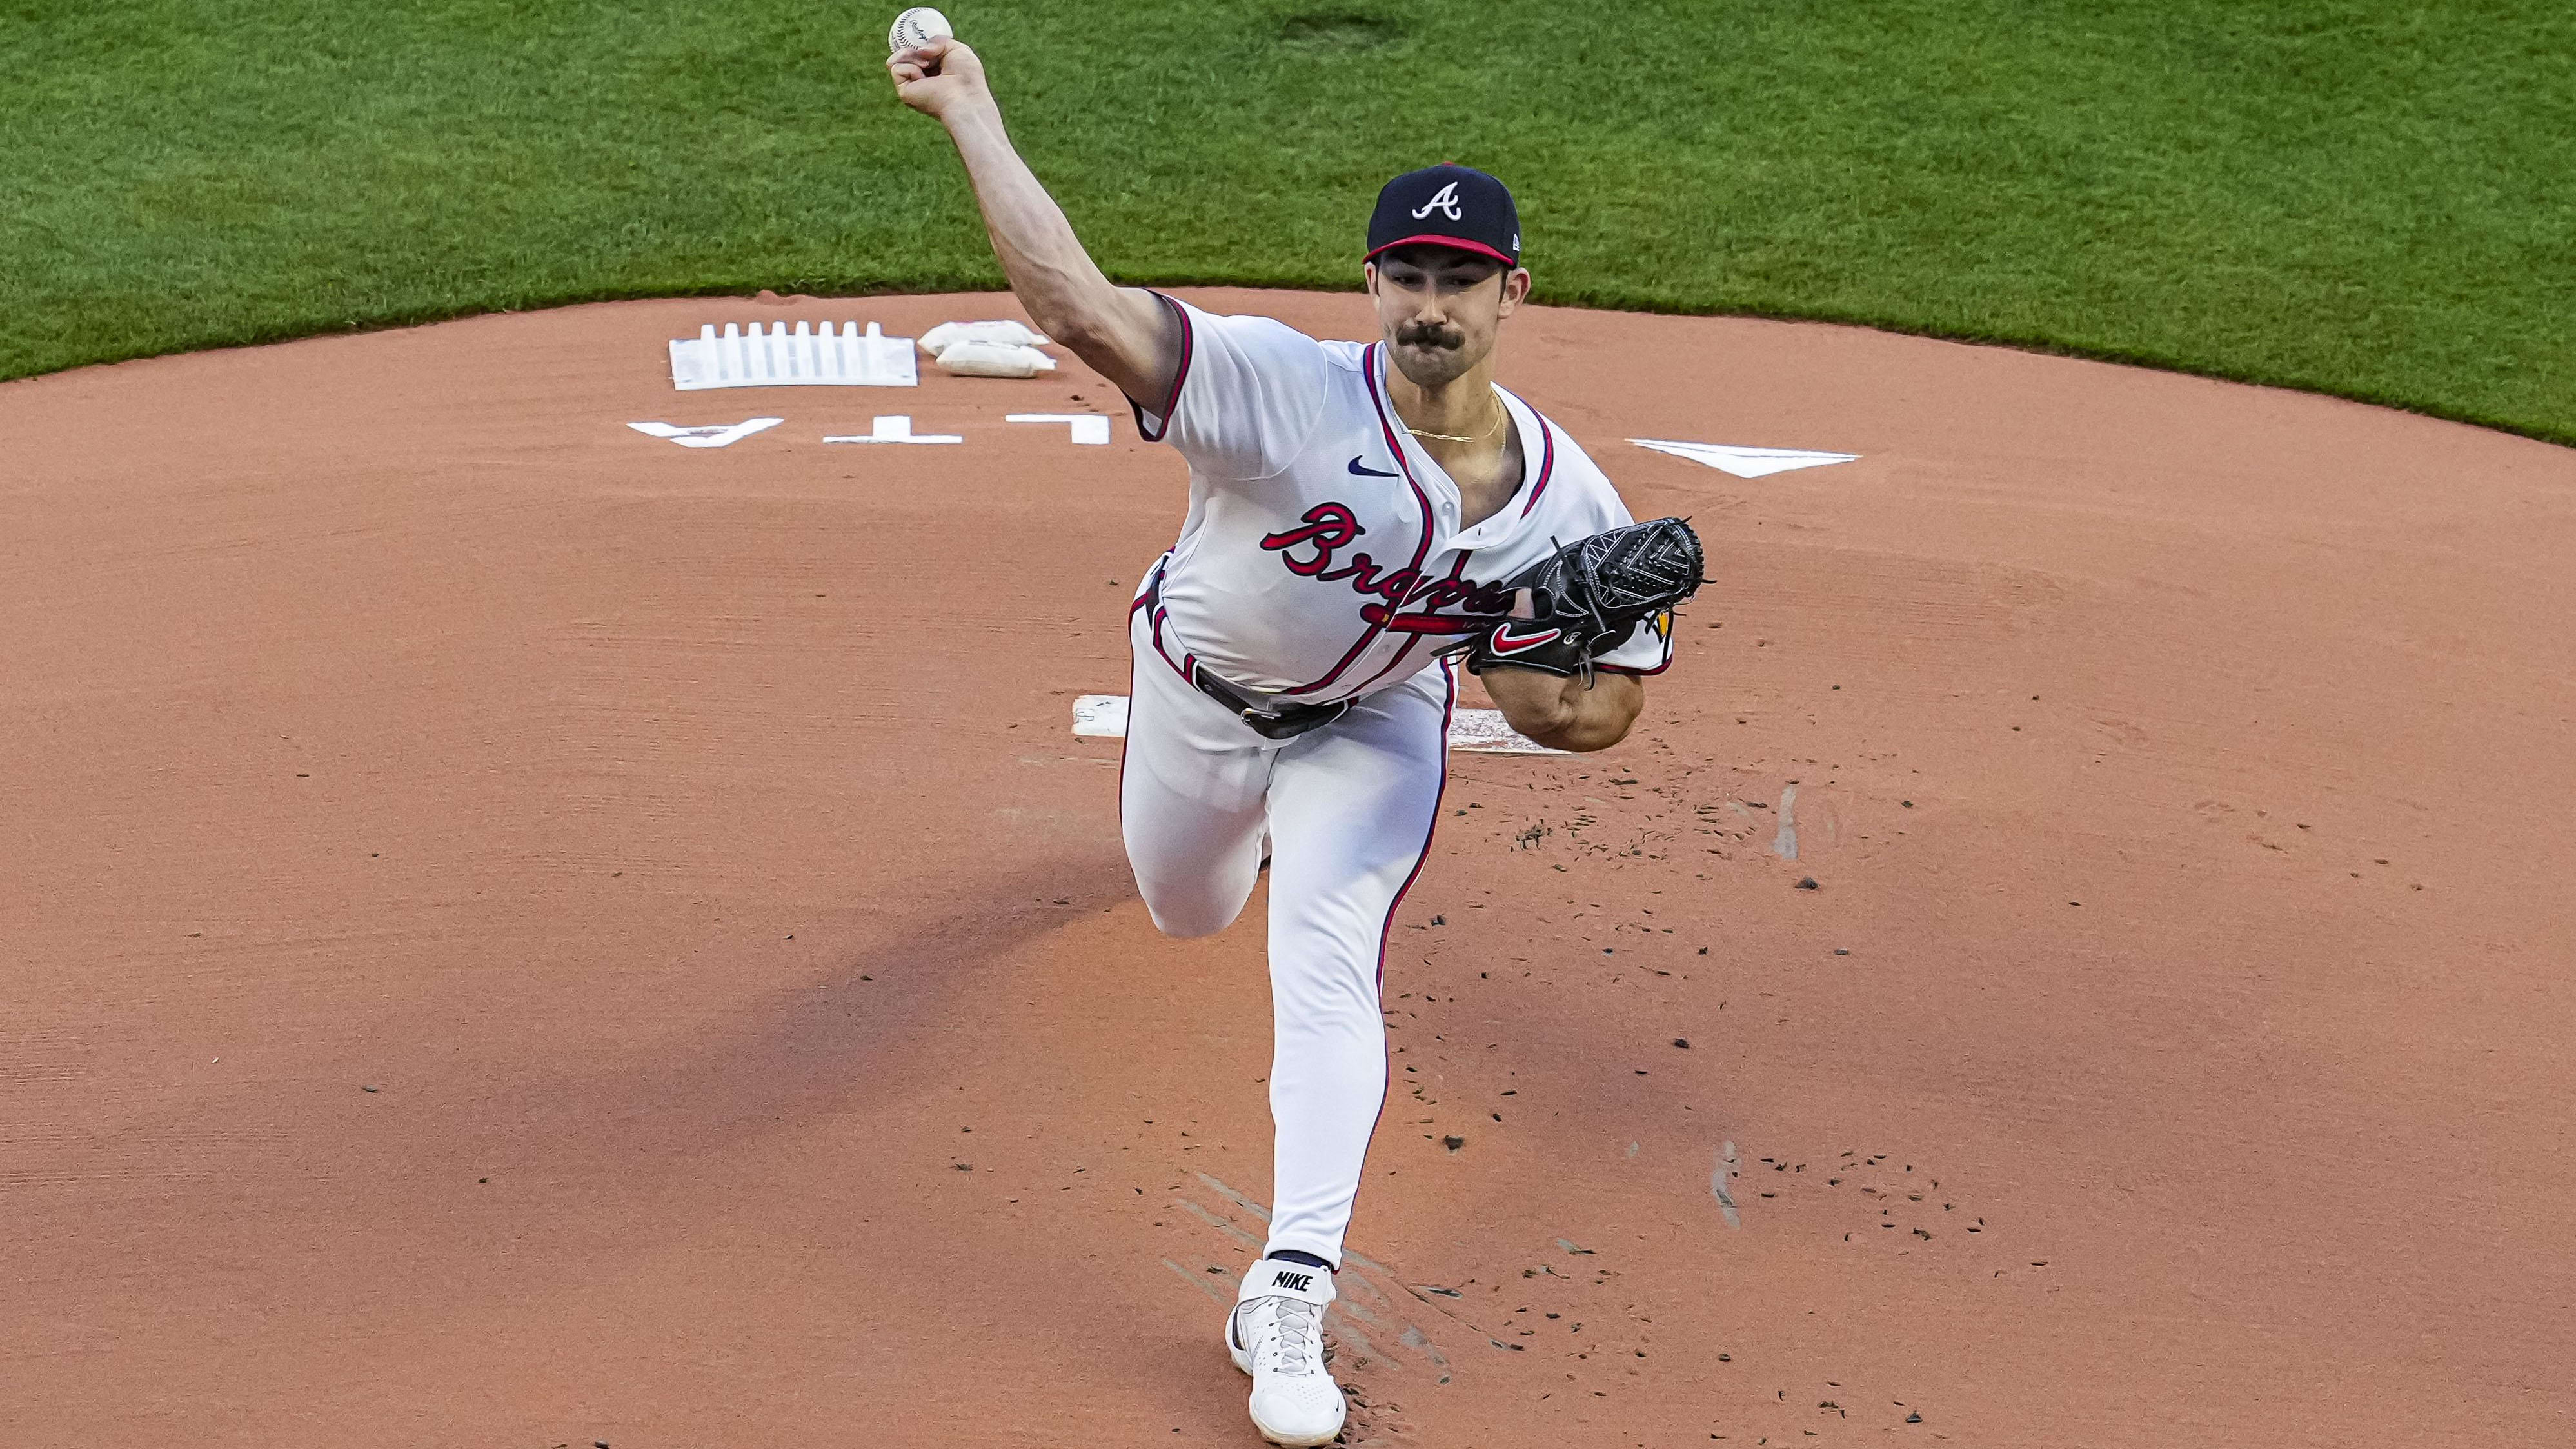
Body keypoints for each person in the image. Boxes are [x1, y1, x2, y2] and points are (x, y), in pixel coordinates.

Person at [891, 35, 1676, 1448]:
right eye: (1409, 274)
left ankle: (1289, 1283)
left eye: (1462, 277)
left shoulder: (1573, 503)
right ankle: (1226, 834)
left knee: (1324, 959)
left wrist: (1505, 644)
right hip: (1195, 689)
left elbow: (1593, 716)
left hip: (1370, 729)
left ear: (1513, 287)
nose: (1433, 302)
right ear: (1372, 281)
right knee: (1185, 910)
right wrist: (971, 108)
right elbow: (1069, 303)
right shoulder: (1275, 386)